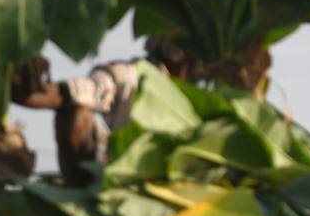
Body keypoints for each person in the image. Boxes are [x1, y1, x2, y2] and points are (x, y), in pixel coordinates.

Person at [11, 36, 201, 186]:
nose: (196, 67)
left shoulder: (208, 95)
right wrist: (17, 85)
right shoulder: (130, 77)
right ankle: (77, 186)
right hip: (120, 178)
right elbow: (77, 92)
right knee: (77, 115)